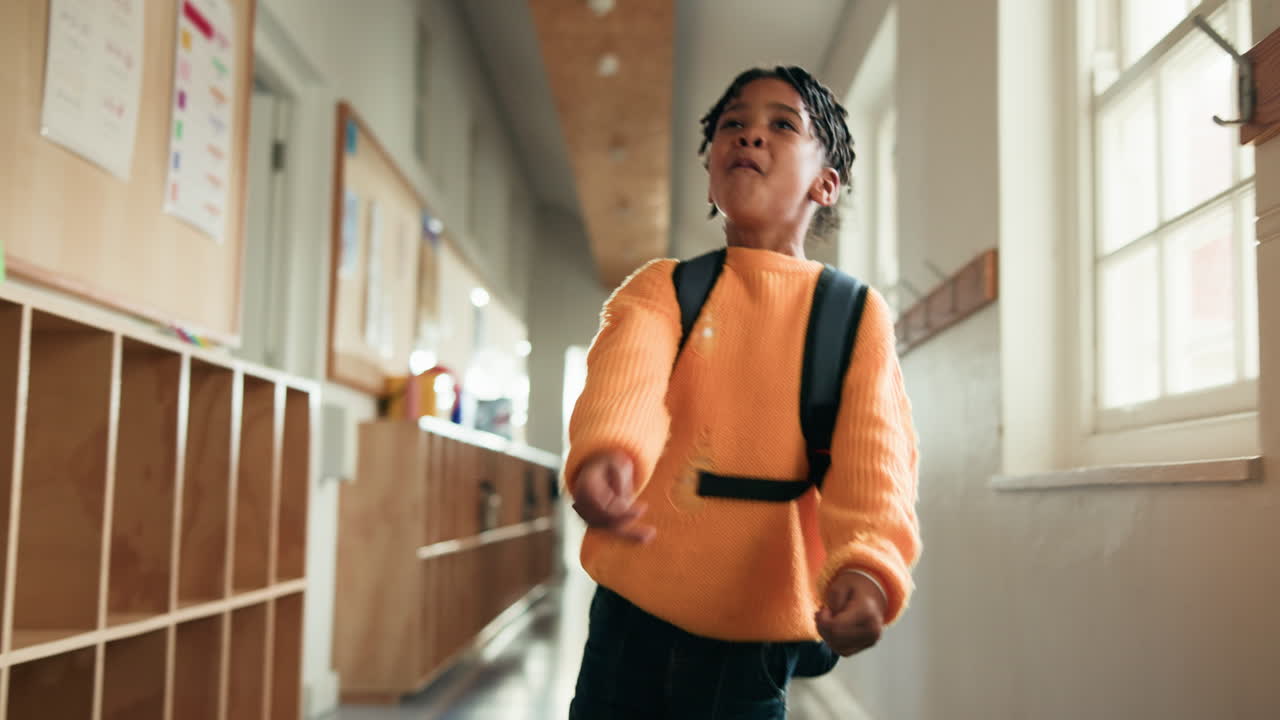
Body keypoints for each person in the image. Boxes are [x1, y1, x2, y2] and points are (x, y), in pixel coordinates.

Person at [564, 65, 921, 719]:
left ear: (826, 182)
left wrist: (868, 565)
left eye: (781, 125)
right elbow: (626, 380)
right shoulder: (662, 289)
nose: (750, 136)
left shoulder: (852, 314)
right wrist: (607, 454)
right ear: (711, 169)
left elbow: (874, 461)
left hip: (754, 636)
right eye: (734, 124)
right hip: (632, 613)